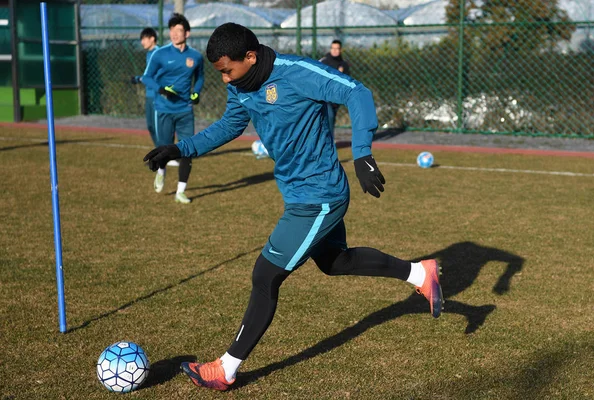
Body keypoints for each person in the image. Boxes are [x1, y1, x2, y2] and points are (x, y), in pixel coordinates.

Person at [143, 22, 443, 391]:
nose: (224, 80)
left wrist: (363, 154)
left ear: (250, 57)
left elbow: (357, 93)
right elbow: (228, 126)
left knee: (265, 276)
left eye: (227, 71)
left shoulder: (298, 73)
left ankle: (226, 368)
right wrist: (181, 148)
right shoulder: (242, 86)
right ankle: (420, 273)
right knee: (336, 262)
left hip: (319, 197)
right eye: (219, 73)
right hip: (299, 194)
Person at [141, 13, 204, 204]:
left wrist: (197, 93)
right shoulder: (160, 54)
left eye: (178, 30)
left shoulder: (196, 56)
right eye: (171, 31)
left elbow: (200, 78)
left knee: (187, 150)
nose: (174, 34)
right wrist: (160, 89)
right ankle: (161, 171)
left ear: (187, 33)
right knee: (165, 149)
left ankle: (180, 192)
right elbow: (146, 77)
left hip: (185, 110)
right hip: (164, 109)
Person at [319, 40, 350, 133]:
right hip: (324, 97)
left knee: (331, 119)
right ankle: (328, 143)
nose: (335, 50)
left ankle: (329, 142)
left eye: (337, 48)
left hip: (336, 98)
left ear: (341, 50)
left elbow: (347, 81)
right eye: (333, 48)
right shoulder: (323, 62)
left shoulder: (344, 64)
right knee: (329, 116)